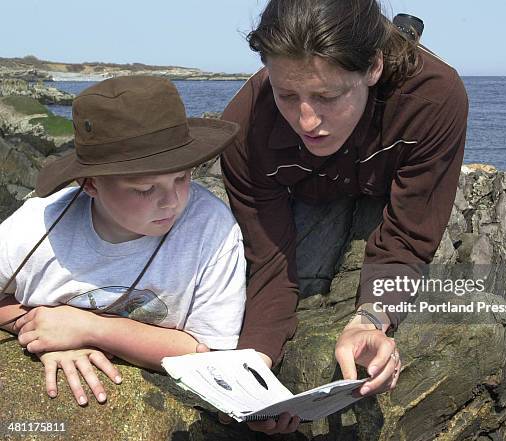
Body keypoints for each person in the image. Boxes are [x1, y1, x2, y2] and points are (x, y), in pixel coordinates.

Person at [215, 0, 468, 434]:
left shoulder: (434, 96)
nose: (307, 120)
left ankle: (402, 36)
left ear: (372, 67)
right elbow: (270, 261)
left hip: (385, 180)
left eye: (327, 96)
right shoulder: (243, 130)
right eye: (286, 95)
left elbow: (408, 235)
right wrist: (252, 370)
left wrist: (372, 319)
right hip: (311, 190)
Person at [0, 76, 246, 406]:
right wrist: (48, 332)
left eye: (183, 177)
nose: (172, 200)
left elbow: (207, 353)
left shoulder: (211, 228)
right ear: (90, 185)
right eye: (145, 189)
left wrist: (91, 329)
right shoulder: (37, 223)